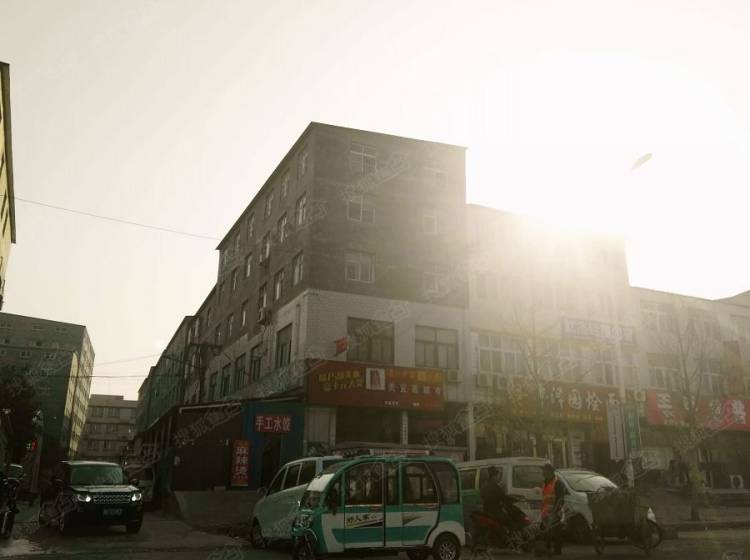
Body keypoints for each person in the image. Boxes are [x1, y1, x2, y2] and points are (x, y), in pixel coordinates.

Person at [540, 462, 565, 556]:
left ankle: (557, 551)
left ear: (550, 472)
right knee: (547, 531)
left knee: (556, 531)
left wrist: (555, 512)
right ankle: (547, 549)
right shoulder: (544, 483)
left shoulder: (558, 483)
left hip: (556, 511)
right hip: (546, 512)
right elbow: (544, 498)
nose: (543, 473)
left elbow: (560, 499)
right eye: (543, 471)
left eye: (545, 471)